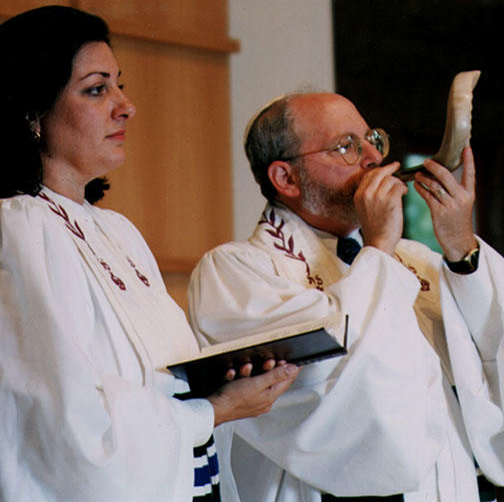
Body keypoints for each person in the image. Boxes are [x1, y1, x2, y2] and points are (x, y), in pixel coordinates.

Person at [0, 6, 300, 502]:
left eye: (120, 84)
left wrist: (220, 378)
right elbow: (64, 426)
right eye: (97, 89)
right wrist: (215, 411)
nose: (126, 106)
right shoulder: (19, 230)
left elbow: (152, 378)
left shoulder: (116, 230)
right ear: (33, 113)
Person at [188, 92, 504, 501]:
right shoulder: (237, 270)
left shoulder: (414, 260)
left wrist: (463, 251)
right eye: (347, 146)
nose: (373, 157)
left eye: (372, 139)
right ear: (286, 178)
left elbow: (488, 359)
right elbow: (326, 389)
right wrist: (378, 250)